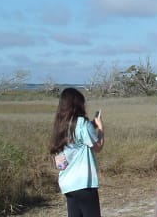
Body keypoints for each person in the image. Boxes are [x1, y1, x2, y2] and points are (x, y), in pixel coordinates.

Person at [49, 87, 105, 217]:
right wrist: (101, 129)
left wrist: (91, 127)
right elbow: (98, 147)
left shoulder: (60, 126)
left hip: (68, 184)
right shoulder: (83, 124)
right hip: (84, 183)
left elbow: (60, 164)